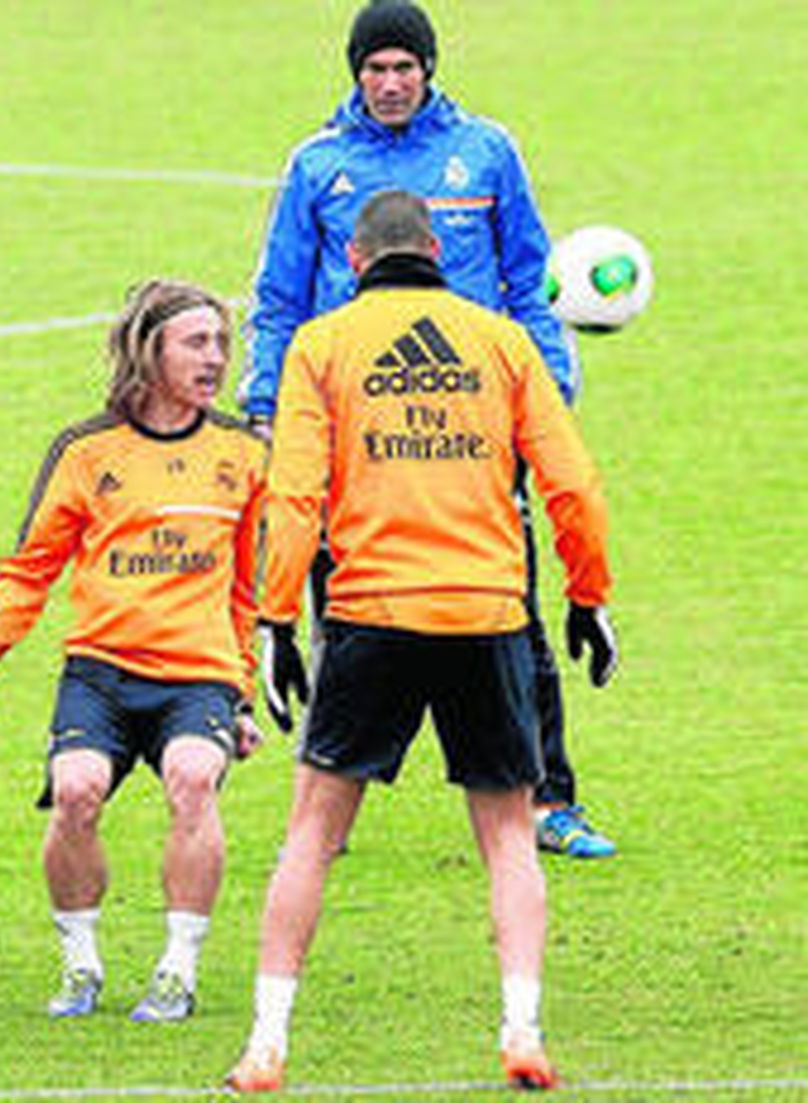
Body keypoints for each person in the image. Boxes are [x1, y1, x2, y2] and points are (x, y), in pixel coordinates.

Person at [225, 190, 619, 1093]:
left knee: (311, 833)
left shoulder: (321, 345)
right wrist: (588, 596)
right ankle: (522, 1029)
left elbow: (294, 496)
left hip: (372, 612)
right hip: (488, 613)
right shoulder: (502, 341)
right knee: (509, 833)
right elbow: (572, 483)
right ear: (438, 251)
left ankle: (266, 1043)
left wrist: (277, 621)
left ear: (354, 261)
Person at [237, 0, 614, 858]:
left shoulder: (486, 152)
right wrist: (266, 404)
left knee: (511, 603)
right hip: (352, 419)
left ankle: (550, 799)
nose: (390, 82)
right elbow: (281, 297)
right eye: (375, 68)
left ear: (429, 69)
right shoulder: (319, 164)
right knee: (341, 606)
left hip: (473, 416)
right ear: (355, 74)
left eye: (404, 67)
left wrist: (547, 392)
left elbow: (528, 277)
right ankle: (324, 808)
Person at [0, 279, 267, 1025]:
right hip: (101, 672)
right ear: (149, 350)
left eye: (221, 342)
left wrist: (244, 695)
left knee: (193, 777)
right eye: (197, 342)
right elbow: (28, 571)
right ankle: (81, 960)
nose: (216, 358)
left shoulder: (244, 454)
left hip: (200, 675)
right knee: (76, 790)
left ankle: (178, 968)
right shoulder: (86, 452)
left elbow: (248, 589)